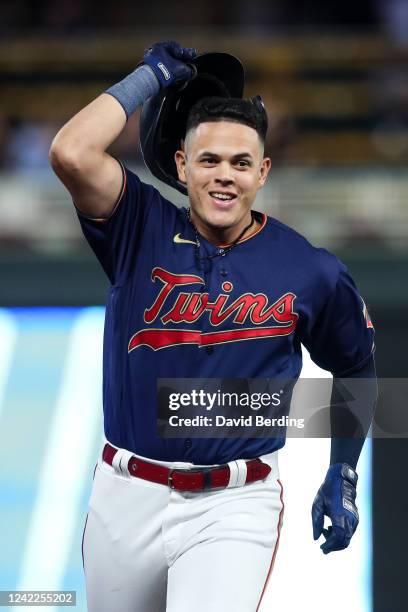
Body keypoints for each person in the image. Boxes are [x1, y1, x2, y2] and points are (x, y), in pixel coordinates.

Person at [49, 41, 377, 612]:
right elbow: (72, 152)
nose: (225, 177)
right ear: (181, 165)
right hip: (124, 497)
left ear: (262, 172)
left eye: (240, 162)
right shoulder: (139, 228)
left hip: (235, 502)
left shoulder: (309, 269)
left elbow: (356, 365)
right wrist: (147, 78)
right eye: (209, 160)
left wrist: (343, 471)